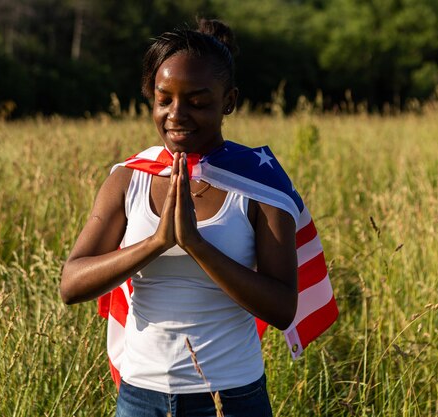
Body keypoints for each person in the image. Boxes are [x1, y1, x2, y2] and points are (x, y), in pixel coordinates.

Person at [61, 18, 300, 417]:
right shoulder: (129, 178)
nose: (177, 114)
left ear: (230, 101)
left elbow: (282, 308)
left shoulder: (258, 185)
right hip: (141, 397)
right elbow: (71, 284)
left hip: (233, 397)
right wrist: (156, 242)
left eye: (198, 101)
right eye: (164, 99)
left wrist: (196, 245)